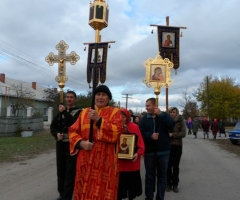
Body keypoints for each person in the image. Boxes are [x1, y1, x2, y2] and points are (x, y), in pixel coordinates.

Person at [68, 85, 123, 200]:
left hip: (105, 160)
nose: (100, 97)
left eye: (104, 95)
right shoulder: (84, 113)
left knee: (103, 190)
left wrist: (98, 120)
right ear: (94, 97)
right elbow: (72, 130)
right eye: (98, 94)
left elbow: (117, 132)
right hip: (85, 159)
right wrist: (81, 143)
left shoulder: (115, 112)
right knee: (84, 188)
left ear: (109, 98)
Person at [139, 98, 175, 200]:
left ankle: (160, 198)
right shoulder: (145, 119)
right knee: (149, 177)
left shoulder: (164, 116)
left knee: (162, 178)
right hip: (150, 152)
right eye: (146, 106)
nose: (146, 108)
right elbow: (140, 132)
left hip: (163, 152)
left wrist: (162, 115)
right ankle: (149, 197)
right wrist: (150, 136)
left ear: (154, 106)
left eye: (148, 106)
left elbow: (171, 125)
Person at [50, 91, 82, 200]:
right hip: (60, 145)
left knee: (70, 172)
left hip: (72, 145)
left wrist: (64, 112)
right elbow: (53, 127)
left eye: (71, 97)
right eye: (67, 97)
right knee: (61, 170)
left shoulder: (79, 112)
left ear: (75, 99)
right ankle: (62, 194)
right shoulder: (60, 112)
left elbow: (72, 124)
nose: (69, 99)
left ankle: (67, 196)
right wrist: (56, 134)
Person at [118, 108, 145, 200]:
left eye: (124, 116)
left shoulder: (134, 127)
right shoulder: (114, 127)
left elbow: (141, 144)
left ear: (128, 117)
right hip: (119, 165)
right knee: (118, 192)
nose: (121, 118)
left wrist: (138, 153)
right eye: (119, 116)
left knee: (131, 192)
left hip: (132, 165)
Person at [166, 107, 186, 193]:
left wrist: (172, 134)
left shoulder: (181, 121)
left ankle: (175, 184)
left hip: (177, 145)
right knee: (168, 166)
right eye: (171, 112)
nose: (172, 114)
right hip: (168, 146)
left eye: (174, 112)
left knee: (175, 166)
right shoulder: (166, 121)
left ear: (176, 113)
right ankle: (168, 184)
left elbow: (183, 133)